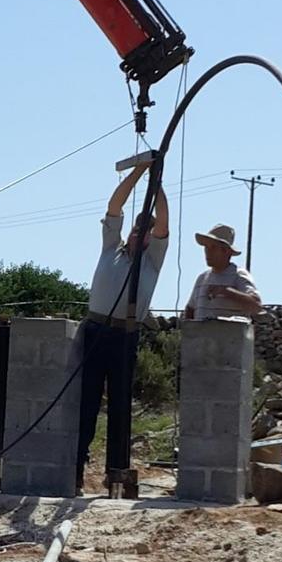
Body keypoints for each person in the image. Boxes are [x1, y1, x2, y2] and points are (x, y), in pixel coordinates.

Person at [76, 159, 169, 492]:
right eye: (136, 228)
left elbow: (164, 223)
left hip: (126, 334)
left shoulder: (153, 261)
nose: (139, 233)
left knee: (119, 405)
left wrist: (155, 184)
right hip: (95, 330)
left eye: (145, 231)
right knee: (85, 401)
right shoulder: (110, 248)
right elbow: (115, 206)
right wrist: (139, 172)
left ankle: (116, 472)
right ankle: (76, 468)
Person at [184, 224, 261, 321]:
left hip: (229, 335)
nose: (208, 252)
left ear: (226, 251)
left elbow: (256, 305)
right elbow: (190, 309)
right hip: (201, 335)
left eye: (213, 247)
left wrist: (226, 291)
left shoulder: (238, 275)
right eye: (206, 247)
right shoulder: (202, 278)